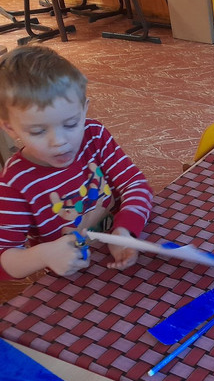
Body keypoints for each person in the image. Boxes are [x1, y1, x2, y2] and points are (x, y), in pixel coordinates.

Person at [0, 46, 153, 280]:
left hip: (119, 255)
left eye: (71, 124)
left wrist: (124, 231)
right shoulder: (14, 184)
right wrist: (42, 255)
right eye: (38, 131)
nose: (59, 142)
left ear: (84, 109)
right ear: (10, 128)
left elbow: (136, 184)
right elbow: (4, 260)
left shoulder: (95, 136)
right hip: (71, 278)